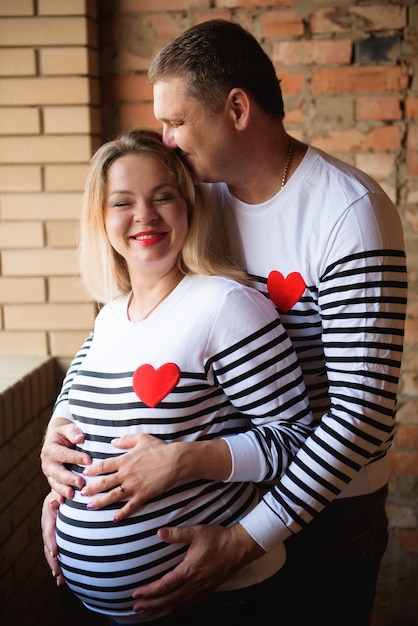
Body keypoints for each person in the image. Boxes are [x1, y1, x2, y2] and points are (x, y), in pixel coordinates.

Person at [41, 19, 408, 626]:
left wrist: (244, 540)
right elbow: (130, 326)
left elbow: (361, 418)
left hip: (323, 512)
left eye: (176, 121)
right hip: (228, 495)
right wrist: (65, 438)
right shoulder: (197, 199)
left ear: (236, 108)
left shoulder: (348, 212)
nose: (166, 140)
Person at [44, 128, 314, 625]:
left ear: (188, 205)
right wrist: (61, 481)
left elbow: (297, 443)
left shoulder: (225, 305)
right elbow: (74, 404)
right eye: (123, 202)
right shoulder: (110, 318)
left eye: (162, 196)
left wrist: (181, 462)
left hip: (219, 600)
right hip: (95, 609)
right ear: (101, 220)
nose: (144, 216)